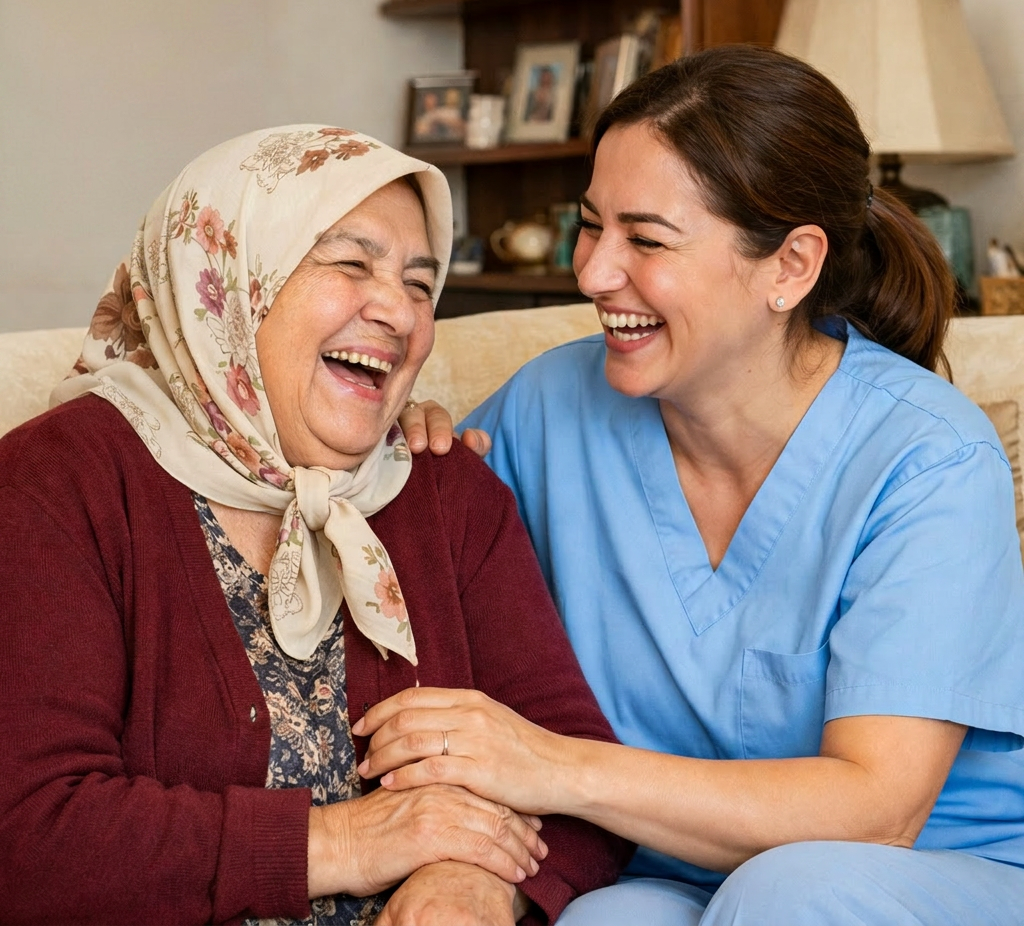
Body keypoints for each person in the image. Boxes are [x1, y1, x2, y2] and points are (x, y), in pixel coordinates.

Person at [372, 46, 1024, 924]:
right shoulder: (549, 408)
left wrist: (548, 765)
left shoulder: (928, 458)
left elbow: (878, 811)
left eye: (645, 239)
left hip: (926, 870)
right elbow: (397, 556)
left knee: (791, 893)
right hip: (671, 869)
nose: (596, 272)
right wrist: (396, 453)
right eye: (590, 225)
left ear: (791, 266)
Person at [0, 125, 632, 925]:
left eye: (418, 283)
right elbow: (28, 834)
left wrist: (485, 884)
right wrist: (349, 843)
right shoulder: (55, 484)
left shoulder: (443, 489)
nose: (398, 311)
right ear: (227, 283)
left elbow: (583, 783)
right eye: (350, 263)